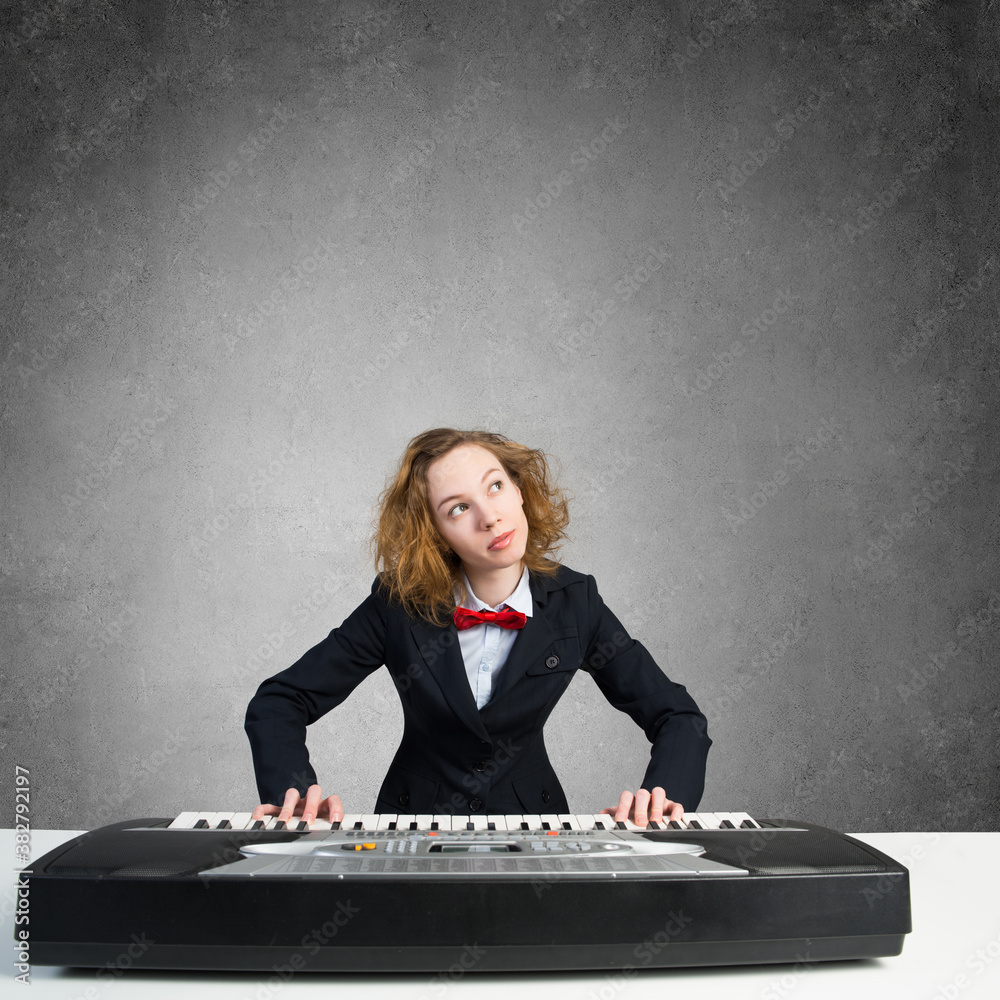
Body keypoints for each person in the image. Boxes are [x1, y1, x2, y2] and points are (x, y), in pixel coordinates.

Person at [246, 427, 711, 830]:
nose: (489, 517)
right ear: (435, 532)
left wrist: (663, 798)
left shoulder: (577, 603)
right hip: (414, 827)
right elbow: (280, 701)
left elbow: (678, 716)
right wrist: (294, 792)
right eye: (457, 509)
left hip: (537, 828)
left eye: (495, 487)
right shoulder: (396, 604)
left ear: (520, 490)